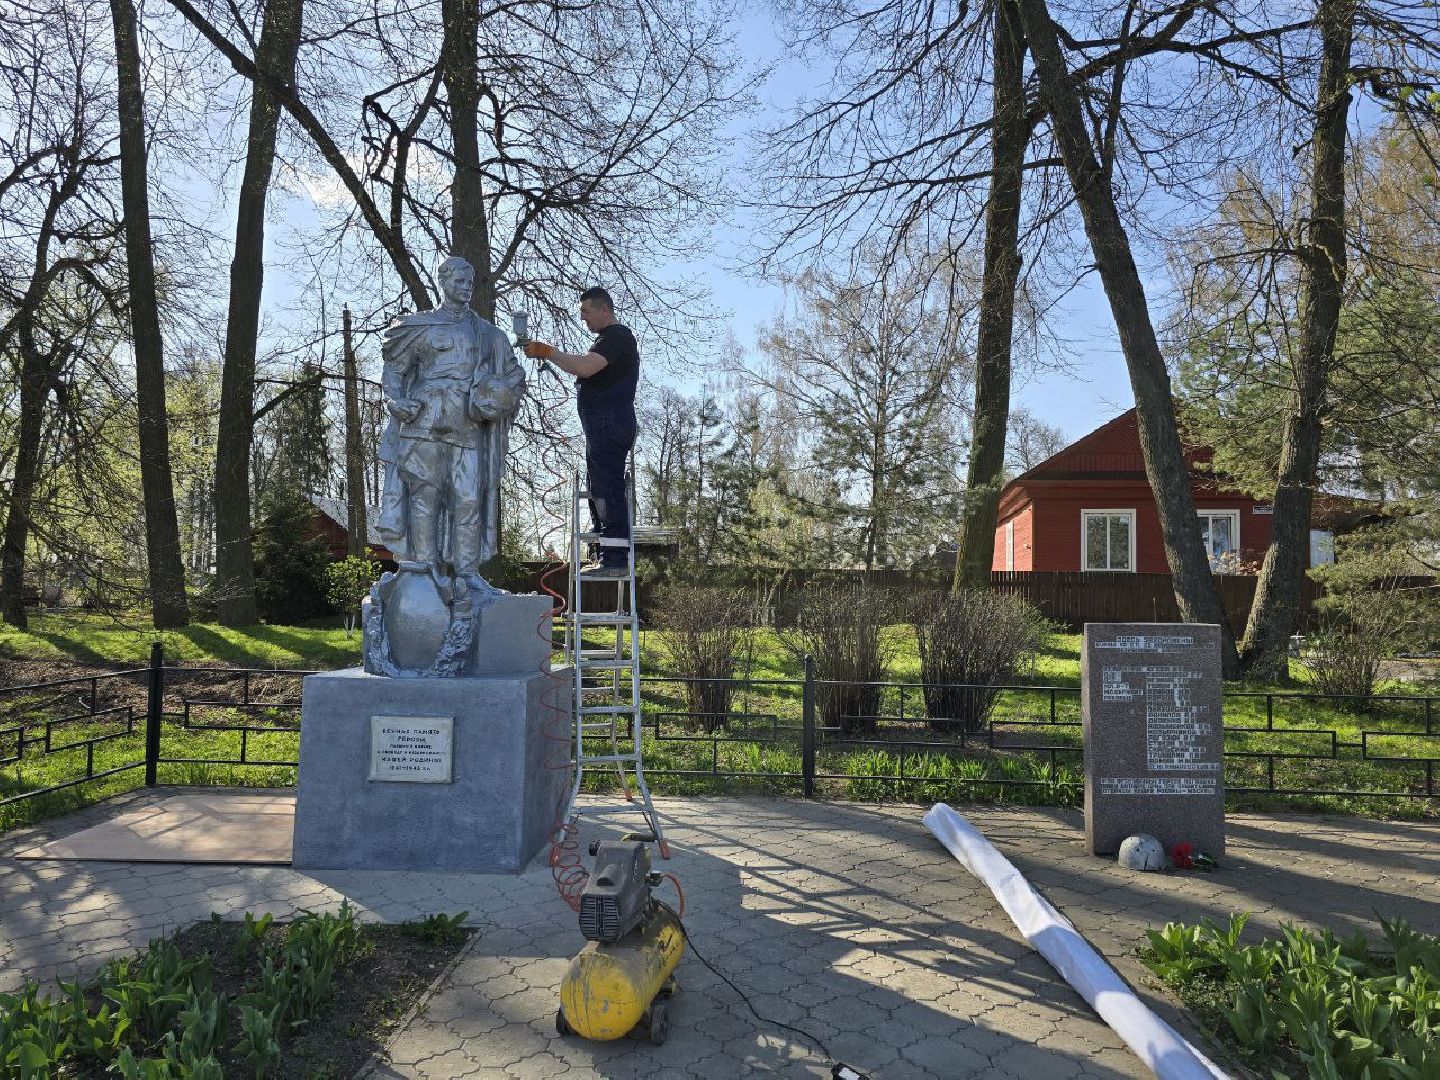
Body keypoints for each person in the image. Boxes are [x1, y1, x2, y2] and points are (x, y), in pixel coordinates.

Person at [375, 255, 525, 581]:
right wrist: (394, 401)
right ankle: (425, 572)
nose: (466, 288)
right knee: (424, 496)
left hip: (467, 423)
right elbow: (395, 371)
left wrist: (498, 398)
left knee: (468, 498)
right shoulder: (421, 326)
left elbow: (513, 376)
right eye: (459, 281)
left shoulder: (487, 334)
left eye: (470, 283)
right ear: (443, 283)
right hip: (423, 420)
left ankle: (469, 573)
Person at [523, 287, 638, 578]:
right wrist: (551, 357)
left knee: (607, 486)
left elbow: (585, 368)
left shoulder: (617, 337)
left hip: (609, 423)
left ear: (604, 310)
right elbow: (584, 368)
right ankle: (604, 552)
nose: (583, 318)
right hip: (602, 426)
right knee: (598, 484)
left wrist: (549, 352)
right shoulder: (606, 340)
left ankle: (614, 559)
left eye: (586, 312)